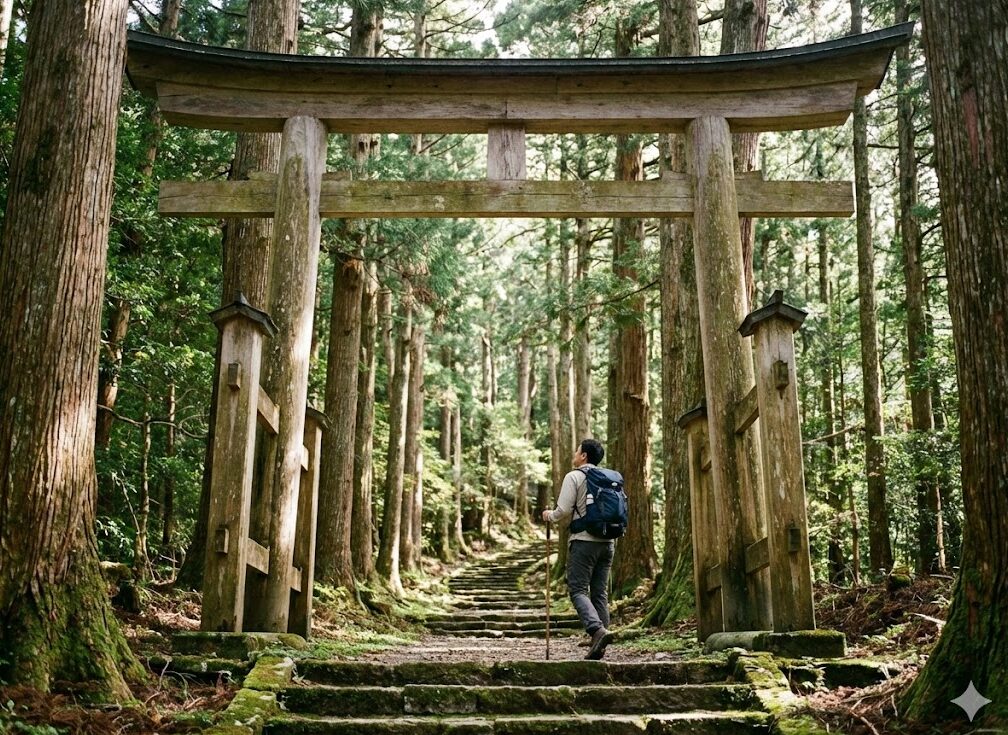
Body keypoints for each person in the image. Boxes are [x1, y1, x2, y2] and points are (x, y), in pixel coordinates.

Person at [541, 438, 615, 660]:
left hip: (584, 541)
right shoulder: (607, 478)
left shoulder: (574, 476)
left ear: (583, 456)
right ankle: (599, 641)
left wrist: (549, 515)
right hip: (608, 543)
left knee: (578, 590)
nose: (574, 453)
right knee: (600, 592)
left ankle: (596, 629)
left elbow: (563, 509)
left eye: (577, 451)